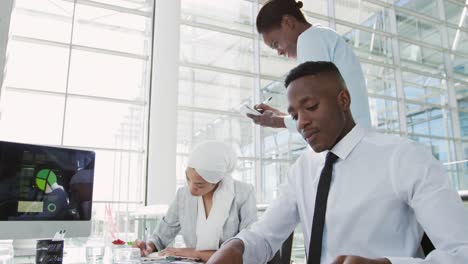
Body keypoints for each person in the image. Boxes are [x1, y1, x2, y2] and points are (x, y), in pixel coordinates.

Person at [207, 61, 468, 264]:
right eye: (295, 115)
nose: (301, 123)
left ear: (343, 100)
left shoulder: (404, 158)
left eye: (310, 107)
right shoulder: (302, 169)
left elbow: (461, 252)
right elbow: (265, 235)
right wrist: (236, 247)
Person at [248, 0, 371, 132]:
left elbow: (319, 114)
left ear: (288, 22)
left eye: (276, 43)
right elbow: (320, 108)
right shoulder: (322, 36)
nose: (279, 52)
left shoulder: (309, 39)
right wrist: (281, 117)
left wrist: (277, 120)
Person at [133, 141, 257, 262]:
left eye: (200, 184)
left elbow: (248, 252)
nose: (191, 189)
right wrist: (149, 247)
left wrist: (196, 253)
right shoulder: (183, 195)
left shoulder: (244, 194)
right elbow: (160, 236)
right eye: (188, 178)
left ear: (217, 180)